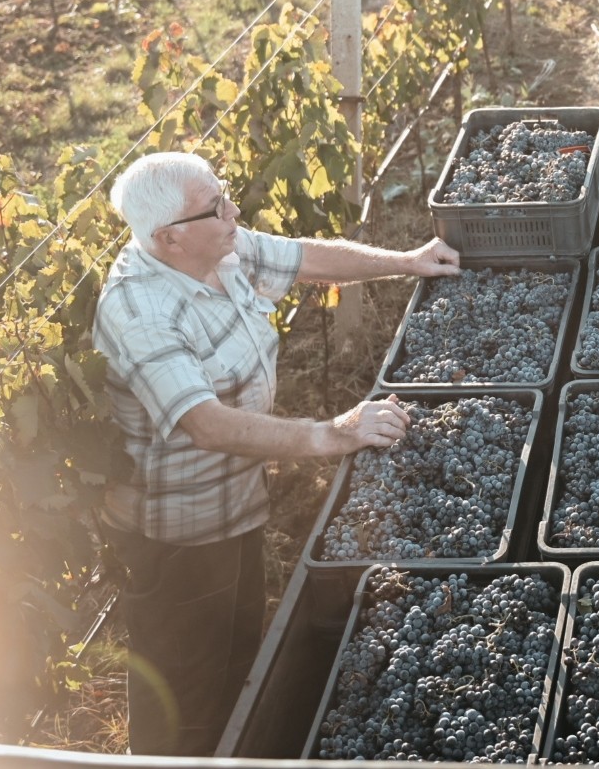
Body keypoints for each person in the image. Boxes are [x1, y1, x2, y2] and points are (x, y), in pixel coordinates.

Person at [92, 150, 461, 755]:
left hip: (239, 501)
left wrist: (407, 261)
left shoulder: (217, 246)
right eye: (217, 205)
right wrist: (331, 433)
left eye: (226, 192)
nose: (234, 209)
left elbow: (304, 256)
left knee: (236, 655)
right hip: (180, 530)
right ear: (169, 237)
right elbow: (205, 425)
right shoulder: (140, 311)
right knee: (182, 695)